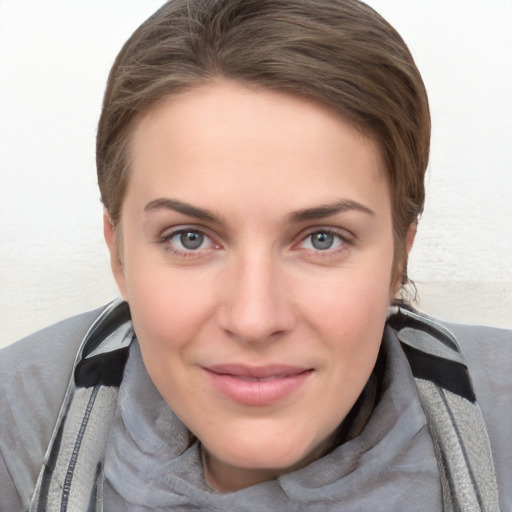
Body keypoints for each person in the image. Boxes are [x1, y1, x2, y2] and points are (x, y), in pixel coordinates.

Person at [0, 0, 510, 511]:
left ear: (400, 256)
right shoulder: (15, 428)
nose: (253, 319)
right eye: (190, 238)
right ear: (119, 254)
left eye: (322, 238)